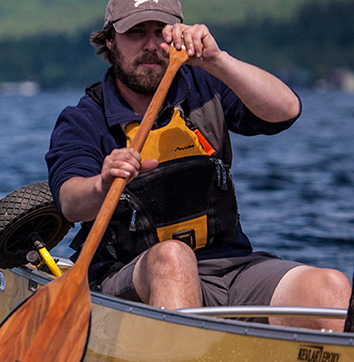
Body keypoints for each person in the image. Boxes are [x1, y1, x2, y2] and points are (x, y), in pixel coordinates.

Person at [45, 0, 351, 331]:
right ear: (110, 40)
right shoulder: (84, 120)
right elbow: (70, 202)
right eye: (135, 33)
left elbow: (286, 109)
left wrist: (216, 61)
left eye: (160, 32)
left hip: (230, 266)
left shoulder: (205, 85)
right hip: (129, 275)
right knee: (173, 258)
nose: (150, 45)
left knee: (331, 288)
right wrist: (102, 184)